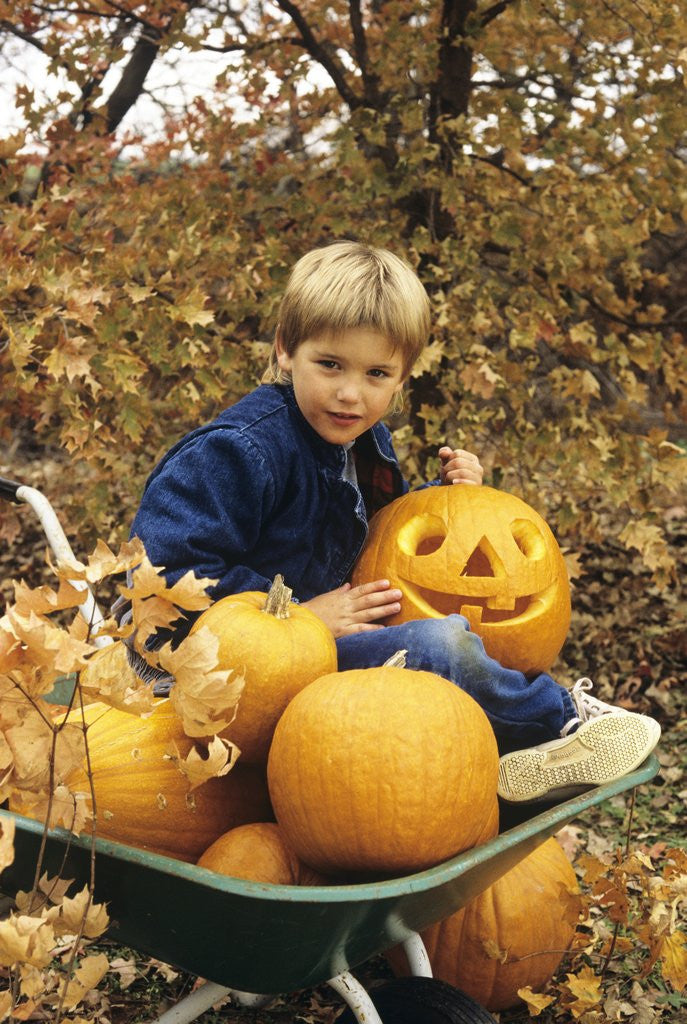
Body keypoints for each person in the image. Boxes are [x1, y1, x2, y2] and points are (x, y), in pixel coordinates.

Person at [126, 240, 660, 804]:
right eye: (329, 365)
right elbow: (161, 579)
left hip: (307, 658)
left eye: (376, 373)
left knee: (440, 639)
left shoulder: (362, 442)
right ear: (286, 350)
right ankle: (563, 726)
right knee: (439, 645)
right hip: (205, 677)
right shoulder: (238, 454)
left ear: (401, 378)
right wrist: (292, 616)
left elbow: (380, 537)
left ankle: (502, 764)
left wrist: (448, 504)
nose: (351, 393)